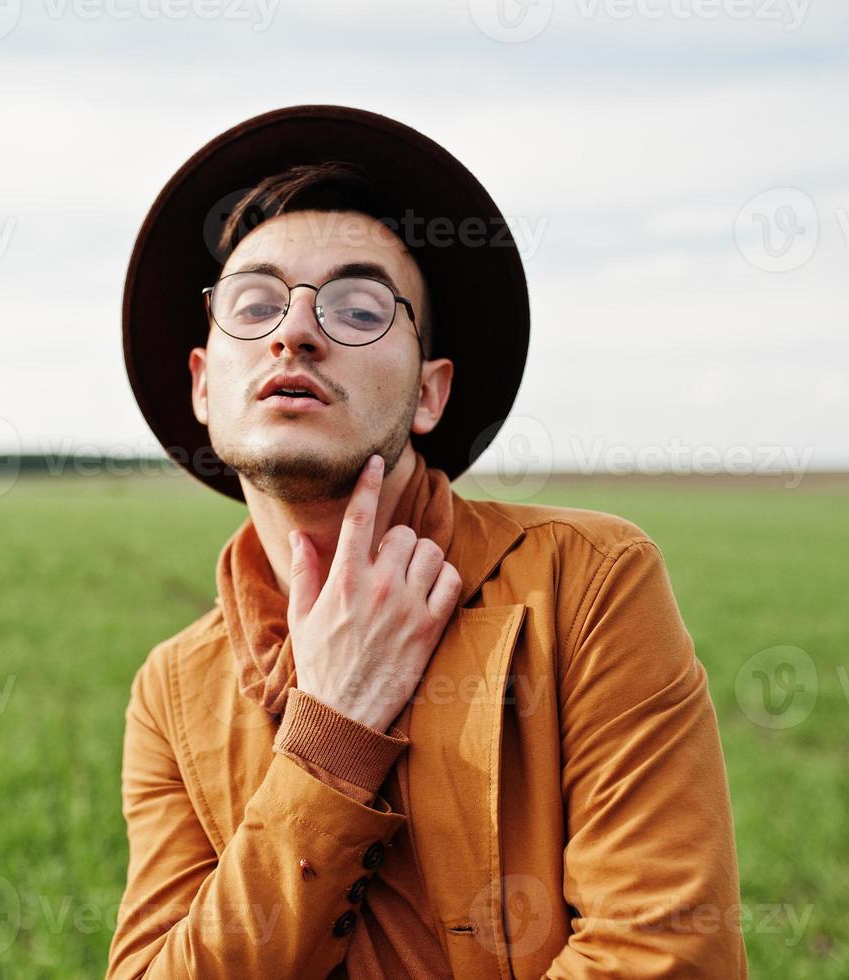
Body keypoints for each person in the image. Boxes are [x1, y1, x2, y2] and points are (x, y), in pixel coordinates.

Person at [109, 105, 747, 979]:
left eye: (359, 308)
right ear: (203, 386)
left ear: (428, 394)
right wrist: (330, 736)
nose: (295, 331)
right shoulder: (175, 692)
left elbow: (666, 954)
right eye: (255, 304)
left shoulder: (585, 584)